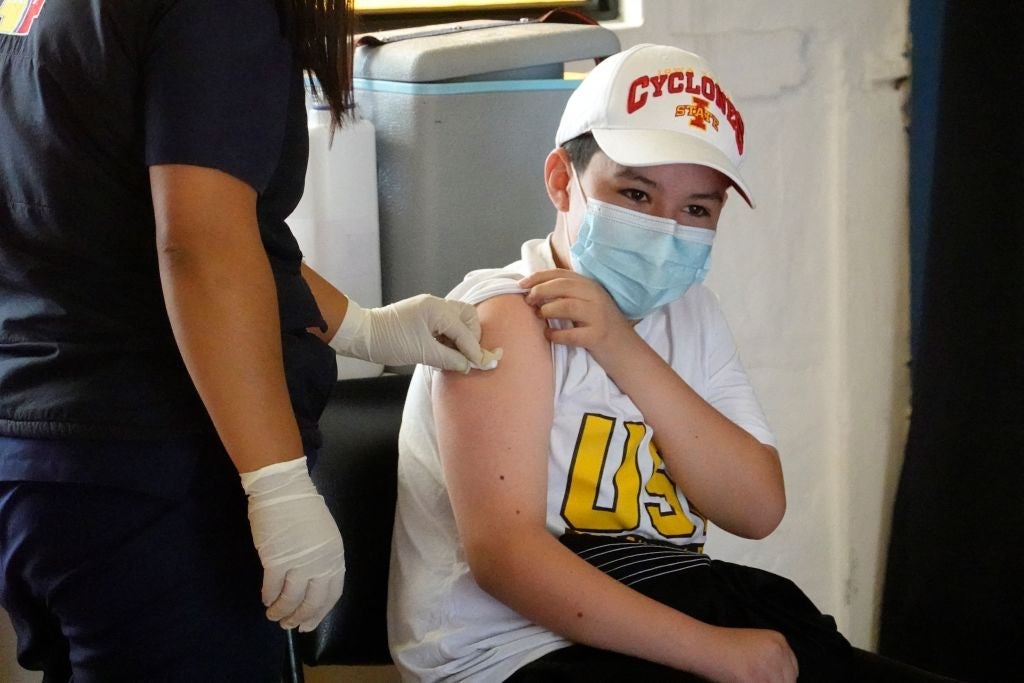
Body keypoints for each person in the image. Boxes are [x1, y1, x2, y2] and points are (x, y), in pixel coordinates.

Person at [387, 44, 960, 682]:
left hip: (659, 623)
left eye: (696, 210)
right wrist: (720, 654)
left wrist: (620, 346)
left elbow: (755, 508)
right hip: (510, 654)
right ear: (560, 180)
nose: (664, 228)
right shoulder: (505, 315)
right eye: (635, 192)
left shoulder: (691, 315)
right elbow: (505, 558)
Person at [0, 1, 497, 680]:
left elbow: (160, 223)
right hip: (154, 472)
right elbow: (201, 247)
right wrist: (278, 480)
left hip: (44, 462)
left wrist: (363, 325)